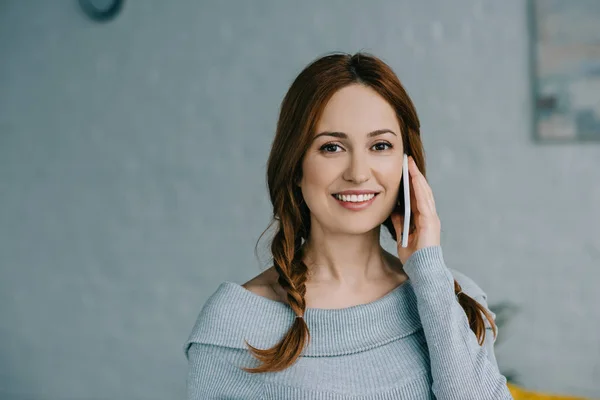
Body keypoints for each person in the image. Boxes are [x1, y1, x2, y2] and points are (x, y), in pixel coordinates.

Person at [183, 52, 513, 399]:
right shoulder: (236, 322)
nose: (357, 172)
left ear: (406, 164)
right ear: (295, 166)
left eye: (380, 145)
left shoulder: (452, 298)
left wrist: (429, 271)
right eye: (332, 147)